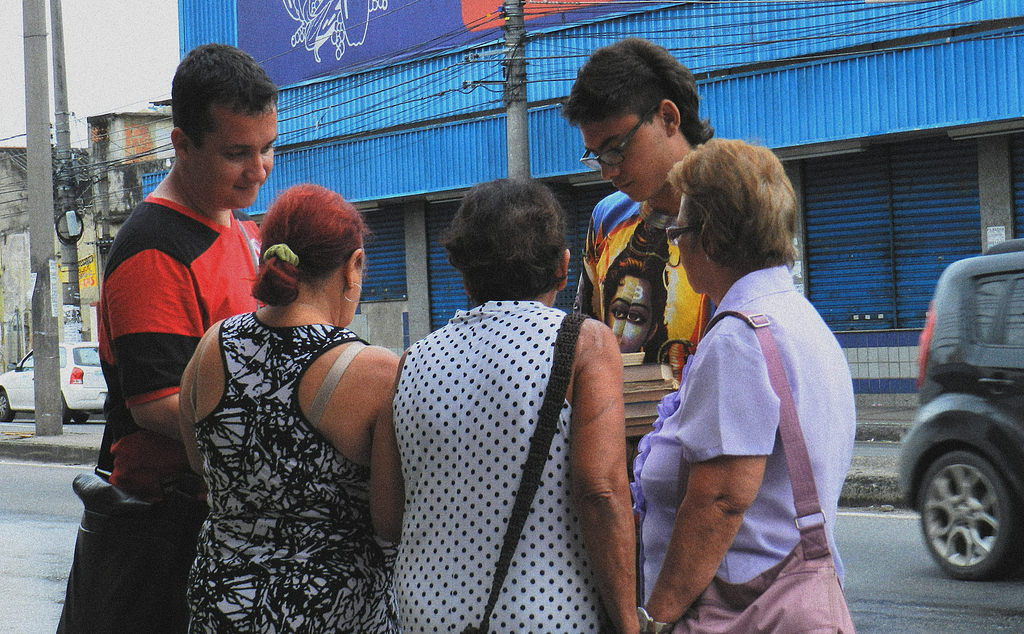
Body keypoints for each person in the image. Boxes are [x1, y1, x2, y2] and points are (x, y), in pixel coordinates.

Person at [58, 43, 278, 633]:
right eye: (237, 153)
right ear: (182, 144)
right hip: (165, 530)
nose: (258, 169)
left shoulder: (240, 228)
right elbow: (157, 404)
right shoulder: (154, 247)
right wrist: (280, 431)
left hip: (221, 521)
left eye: (267, 148)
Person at [371, 178, 639, 634]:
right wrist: (630, 622)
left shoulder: (412, 361)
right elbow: (600, 491)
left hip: (423, 615)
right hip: (548, 615)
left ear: (463, 272)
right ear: (563, 267)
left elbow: (387, 514)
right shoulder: (585, 343)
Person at [631, 139, 857, 631]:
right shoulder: (801, 318)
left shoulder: (737, 338)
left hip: (741, 609)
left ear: (709, 238)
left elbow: (720, 499)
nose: (675, 243)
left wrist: (656, 618)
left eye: (678, 231)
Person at [178, 183, 399, 633]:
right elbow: (390, 519)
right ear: (353, 265)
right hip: (330, 612)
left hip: (221, 604)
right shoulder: (375, 372)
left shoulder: (212, 347)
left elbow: (199, 463)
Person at [562, 37, 714, 376]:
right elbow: (587, 335)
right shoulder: (607, 219)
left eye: (616, 148)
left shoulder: (734, 211)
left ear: (668, 117)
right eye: (597, 157)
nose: (608, 171)